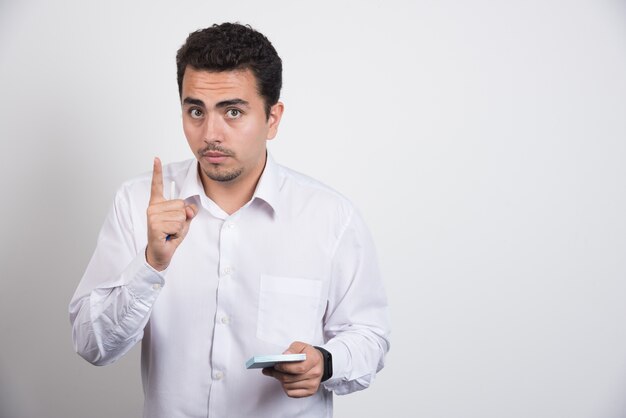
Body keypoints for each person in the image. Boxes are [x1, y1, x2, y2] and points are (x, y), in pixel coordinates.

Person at [69, 22, 390, 418]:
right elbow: (91, 345)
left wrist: (327, 362)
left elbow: (370, 336)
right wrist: (151, 265)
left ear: (273, 118)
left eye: (233, 111)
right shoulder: (137, 203)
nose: (210, 134)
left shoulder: (329, 216)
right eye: (195, 111)